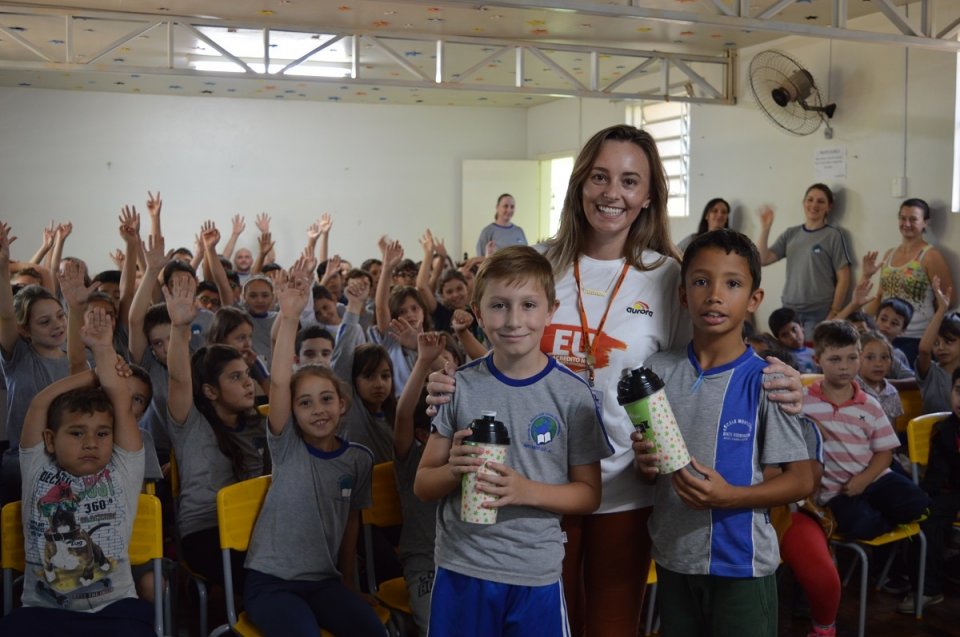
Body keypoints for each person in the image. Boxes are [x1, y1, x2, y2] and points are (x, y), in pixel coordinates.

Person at [426, 124, 803, 637]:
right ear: (580, 183)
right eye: (600, 177)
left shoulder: (668, 275)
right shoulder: (539, 262)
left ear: (648, 196)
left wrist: (780, 379)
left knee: (610, 627)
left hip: (627, 486)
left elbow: (706, 359)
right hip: (533, 480)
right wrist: (449, 382)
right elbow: (500, 353)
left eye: (629, 181)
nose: (612, 193)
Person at [415, 245, 611, 637]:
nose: (514, 320)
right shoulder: (458, 387)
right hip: (462, 567)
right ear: (478, 312)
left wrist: (524, 490)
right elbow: (422, 485)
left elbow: (589, 495)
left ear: (551, 311)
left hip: (534, 573)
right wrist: (454, 470)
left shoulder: (573, 395)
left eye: (528, 305)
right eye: (499, 306)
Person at [633, 229, 815, 637]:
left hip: (741, 564)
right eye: (701, 281)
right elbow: (648, 472)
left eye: (732, 284)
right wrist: (644, 464)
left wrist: (730, 496)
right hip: (674, 557)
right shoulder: (657, 372)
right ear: (683, 295)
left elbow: (802, 480)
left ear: (754, 299)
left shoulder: (768, 381)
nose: (715, 295)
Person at [242, 261, 383, 637]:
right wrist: (289, 316)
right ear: (292, 411)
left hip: (324, 582)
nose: (318, 410)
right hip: (271, 582)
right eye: (305, 403)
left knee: (373, 632)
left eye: (326, 399)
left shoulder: (358, 459)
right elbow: (279, 383)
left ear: (342, 403)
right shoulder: (287, 444)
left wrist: (349, 582)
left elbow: (351, 523)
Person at [0, 306, 152, 636]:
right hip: (43, 612)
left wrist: (103, 348)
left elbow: (121, 402)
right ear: (50, 440)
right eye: (77, 433)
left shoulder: (122, 469)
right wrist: (95, 373)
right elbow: (40, 403)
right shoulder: (37, 467)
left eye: (102, 433)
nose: (91, 443)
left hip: (114, 610)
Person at [165, 273, 267, 585]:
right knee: (268, 574)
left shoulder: (256, 422)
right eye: (235, 377)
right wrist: (179, 327)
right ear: (210, 390)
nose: (247, 383)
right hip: (207, 531)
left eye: (246, 374)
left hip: (253, 525)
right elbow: (179, 378)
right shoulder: (191, 424)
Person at [802, 320, 930, 540]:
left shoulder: (869, 403)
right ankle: (876, 520)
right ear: (817, 360)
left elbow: (885, 452)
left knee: (919, 504)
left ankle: (877, 516)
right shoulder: (804, 403)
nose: (844, 366)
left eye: (852, 358)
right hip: (836, 492)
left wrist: (863, 479)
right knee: (863, 524)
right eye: (835, 359)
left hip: (873, 479)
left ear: (859, 358)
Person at [0, 223, 71, 505]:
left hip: (69, 463)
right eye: (44, 321)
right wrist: (3, 267)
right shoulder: (18, 355)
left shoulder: (79, 360)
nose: (57, 325)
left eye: (60, 316)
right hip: (23, 463)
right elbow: (6, 315)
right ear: (24, 330)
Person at [861, 198, 956, 365]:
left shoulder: (930, 256)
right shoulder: (889, 254)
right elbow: (880, 297)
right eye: (903, 218)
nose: (906, 224)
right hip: (885, 336)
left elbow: (949, 300)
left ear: (925, 222)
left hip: (916, 338)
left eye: (913, 219)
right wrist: (862, 322)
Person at [898, 366, 960, 614]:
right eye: (958, 391)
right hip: (953, 492)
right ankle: (928, 589)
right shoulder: (946, 431)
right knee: (927, 516)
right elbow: (936, 477)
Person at [756, 183, 853, 336]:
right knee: (790, 351)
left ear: (829, 207)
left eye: (821, 201)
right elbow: (763, 259)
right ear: (803, 203)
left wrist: (834, 312)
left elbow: (844, 277)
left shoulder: (833, 235)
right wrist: (765, 228)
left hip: (819, 312)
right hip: (789, 311)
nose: (814, 205)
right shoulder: (791, 233)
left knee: (811, 351)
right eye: (810, 200)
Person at [916, 277, 960, 414]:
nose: (941, 347)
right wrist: (941, 309)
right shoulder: (931, 372)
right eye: (935, 343)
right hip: (934, 428)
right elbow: (924, 349)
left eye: (948, 341)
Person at [768, 307, 819, 373]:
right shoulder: (784, 359)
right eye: (784, 335)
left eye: (794, 329)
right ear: (779, 340)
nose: (793, 337)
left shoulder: (815, 352)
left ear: (801, 326)